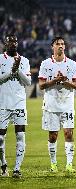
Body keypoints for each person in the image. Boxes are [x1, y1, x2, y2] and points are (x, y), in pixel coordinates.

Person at [38, 36, 76, 173]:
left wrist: (64, 82)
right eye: (57, 44)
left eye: (62, 44)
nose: (60, 46)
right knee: (53, 136)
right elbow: (41, 85)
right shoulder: (45, 64)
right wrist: (55, 80)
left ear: (65, 47)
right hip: (51, 104)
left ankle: (69, 165)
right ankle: (53, 164)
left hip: (67, 104)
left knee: (68, 133)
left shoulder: (72, 64)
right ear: (53, 47)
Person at [0, 34, 31, 178]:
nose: (13, 43)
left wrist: (18, 70)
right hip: (3, 103)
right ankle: (3, 165)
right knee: (0, 138)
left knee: (20, 136)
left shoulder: (24, 61)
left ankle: (17, 169)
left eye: (15, 41)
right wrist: (11, 71)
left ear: (18, 43)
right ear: (5, 44)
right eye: (10, 41)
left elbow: (28, 82)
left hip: (19, 103)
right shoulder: (0, 59)